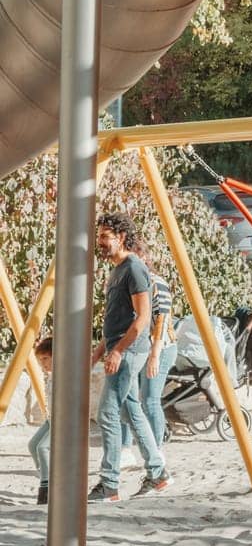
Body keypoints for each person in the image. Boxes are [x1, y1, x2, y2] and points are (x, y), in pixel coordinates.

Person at [89, 212, 169, 503]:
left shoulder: (134, 268)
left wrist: (119, 351)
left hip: (130, 352)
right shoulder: (117, 270)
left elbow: (143, 318)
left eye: (105, 236)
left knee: (108, 414)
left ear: (121, 237)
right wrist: (99, 352)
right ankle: (158, 474)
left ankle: (109, 485)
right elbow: (115, 320)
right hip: (120, 350)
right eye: (100, 236)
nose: (100, 242)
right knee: (131, 412)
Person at [121, 248, 178, 470]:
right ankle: (126, 449)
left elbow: (161, 319)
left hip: (160, 347)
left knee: (150, 399)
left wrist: (155, 355)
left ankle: (156, 450)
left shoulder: (156, 283)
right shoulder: (130, 283)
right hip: (139, 347)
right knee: (127, 396)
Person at [27, 335, 52, 506]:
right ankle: (46, 472)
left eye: (45, 359)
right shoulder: (51, 375)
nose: (42, 363)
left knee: (43, 447)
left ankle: (47, 486)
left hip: (63, 420)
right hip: (51, 419)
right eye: (40, 360)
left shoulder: (65, 374)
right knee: (33, 445)